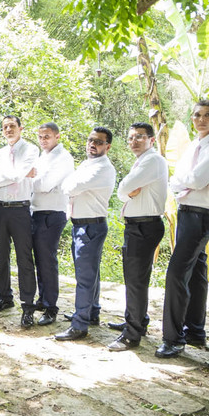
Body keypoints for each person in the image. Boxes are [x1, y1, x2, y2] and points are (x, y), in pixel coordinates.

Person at [156, 99, 209, 358]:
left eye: (208, 115)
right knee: (198, 267)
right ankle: (195, 331)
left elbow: (197, 179)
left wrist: (179, 182)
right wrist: (181, 182)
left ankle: (173, 337)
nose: (202, 119)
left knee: (177, 271)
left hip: (202, 212)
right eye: (197, 115)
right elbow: (183, 178)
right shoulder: (194, 146)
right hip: (187, 210)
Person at [107, 122, 169, 351]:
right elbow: (124, 192)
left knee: (135, 281)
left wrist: (125, 191)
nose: (134, 141)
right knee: (135, 280)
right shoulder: (142, 161)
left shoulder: (153, 160)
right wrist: (125, 192)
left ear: (152, 140)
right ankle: (137, 321)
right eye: (131, 137)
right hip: (138, 226)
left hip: (144, 226)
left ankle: (132, 335)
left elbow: (124, 188)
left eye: (140, 137)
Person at [56, 127, 117, 341]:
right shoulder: (87, 164)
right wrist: (71, 184)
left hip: (91, 226)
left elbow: (71, 186)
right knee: (91, 274)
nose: (93, 144)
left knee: (85, 277)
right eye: (90, 140)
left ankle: (79, 325)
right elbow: (70, 184)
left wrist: (71, 184)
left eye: (98, 142)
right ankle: (91, 313)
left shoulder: (103, 168)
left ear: (107, 147)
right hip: (81, 225)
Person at [0, 115, 40, 325]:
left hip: (20, 209)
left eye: (12, 126)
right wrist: (13, 174)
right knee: (1, 256)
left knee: (24, 258)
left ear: (21, 128)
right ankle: (4, 297)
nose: (8, 129)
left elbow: (16, 176)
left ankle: (28, 306)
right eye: (5, 127)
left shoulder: (30, 150)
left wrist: (2, 174)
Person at [28, 122, 74, 326]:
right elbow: (37, 183)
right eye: (40, 136)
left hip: (52, 213)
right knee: (39, 259)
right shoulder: (43, 156)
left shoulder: (63, 158)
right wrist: (33, 180)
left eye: (47, 136)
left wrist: (28, 179)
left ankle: (51, 307)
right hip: (37, 211)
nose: (43, 140)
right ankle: (42, 298)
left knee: (47, 261)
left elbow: (44, 185)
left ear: (57, 137)